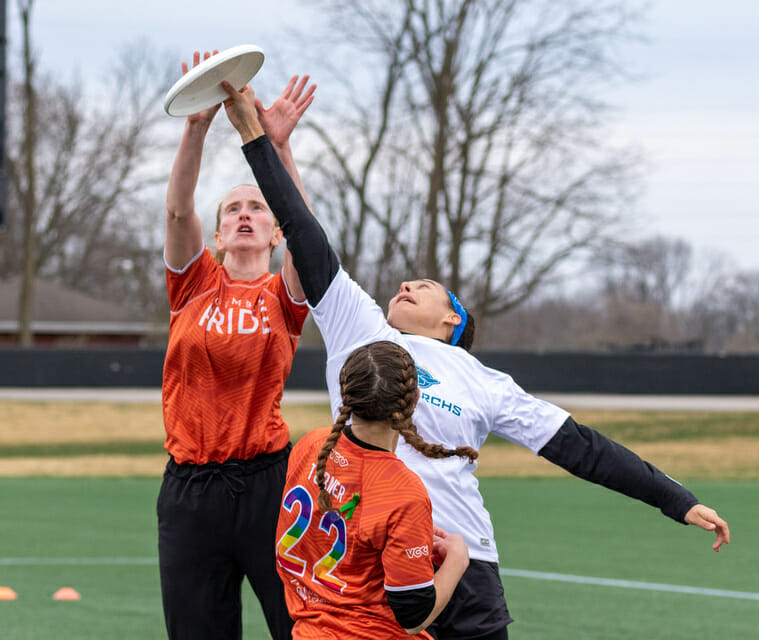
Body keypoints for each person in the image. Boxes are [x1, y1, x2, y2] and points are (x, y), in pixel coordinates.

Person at [221, 81, 731, 640]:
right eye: (408, 281)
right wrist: (259, 141)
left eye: (430, 286)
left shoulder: (484, 381)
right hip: (373, 562)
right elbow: (304, 232)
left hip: (464, 564)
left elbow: (584, 449)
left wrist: (675, 499)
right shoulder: (360, 329)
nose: (409, 283)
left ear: (453, 323)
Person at [158, 52, 315, 640]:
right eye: (233, 210)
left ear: (275, 232)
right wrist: (196, 124)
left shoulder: (285, 295)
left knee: (299, 627)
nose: (245, 216)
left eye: (257, 208)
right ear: (219, 234)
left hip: (268, 487)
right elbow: (177, 208)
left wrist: (279, 148)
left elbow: (307, 232)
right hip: (190, 489)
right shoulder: (193, 283)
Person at [276, 340, 475, 638]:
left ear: (347, 392)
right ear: (413, 400)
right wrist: (457, 560)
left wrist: (405, 541)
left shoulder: (311, 445)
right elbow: (413, 617)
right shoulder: (402, 491)